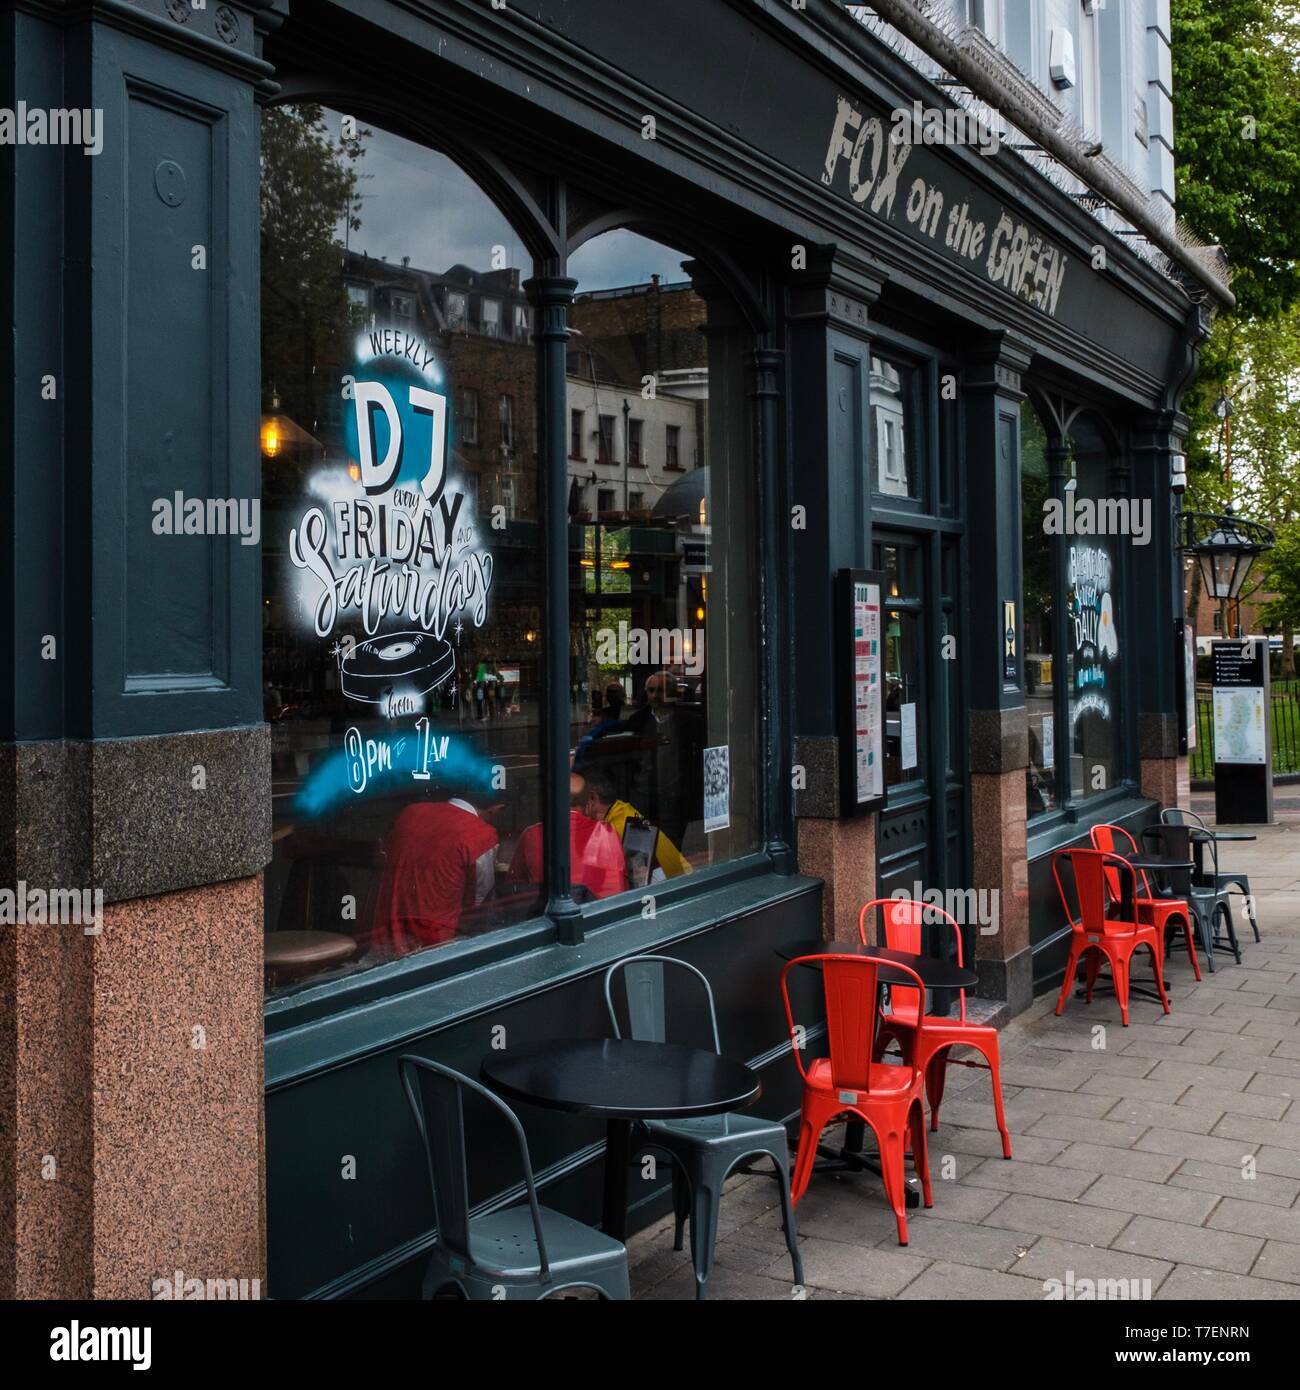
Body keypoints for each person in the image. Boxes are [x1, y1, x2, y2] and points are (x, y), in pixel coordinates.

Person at [370, 795, 499, 956]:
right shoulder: (481, 834)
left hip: (384, 925)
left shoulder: (410, 812)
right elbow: (478, 900)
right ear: (496, 810)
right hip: (434, 940)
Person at [506, 774, 628, 900]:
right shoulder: (607, 832)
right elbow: (622, 886)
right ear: (590, 800)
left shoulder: (531, 834)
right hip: (602, 914)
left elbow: (514, 887)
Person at [624, 670, 702, 850]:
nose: (654, 695)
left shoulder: (690, 721)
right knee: (640, 849)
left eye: (660, 690)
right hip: (642, 795)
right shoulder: (637, 721)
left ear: (672, 693)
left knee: (672, 848)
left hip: (676, 796)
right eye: (650, 690)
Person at [579, 768, 690, 881]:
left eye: (578, 797)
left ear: (592, 798)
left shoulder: (615, 829)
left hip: (673, 886)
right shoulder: (621, 809)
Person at [573, 679, 628, 770]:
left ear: (622, 695)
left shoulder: (629, 710)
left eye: (615, 693)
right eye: (609, 693)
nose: (612, 696)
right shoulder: (604, 712)